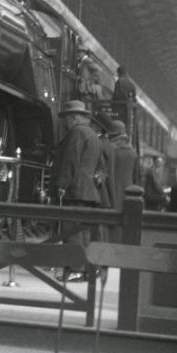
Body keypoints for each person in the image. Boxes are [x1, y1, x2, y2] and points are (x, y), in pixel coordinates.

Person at [51, 99, 103, 280]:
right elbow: (101, 168)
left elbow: (70, 161)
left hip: (75, 191)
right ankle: (87, 269)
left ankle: (75, 269)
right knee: (85, 233)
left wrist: (61, 185)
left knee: (72, 232)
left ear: (73, 117)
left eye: (66, 118)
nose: (64, 123)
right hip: (89, 193)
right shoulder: (93, 135)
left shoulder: (76, 133)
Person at [105, 120, 139, 241]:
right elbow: (136, 175)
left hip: (113, 192)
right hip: (129, 192)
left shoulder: (111, 149)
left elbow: (109, 174)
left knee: (112, 226)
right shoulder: (132, 151)